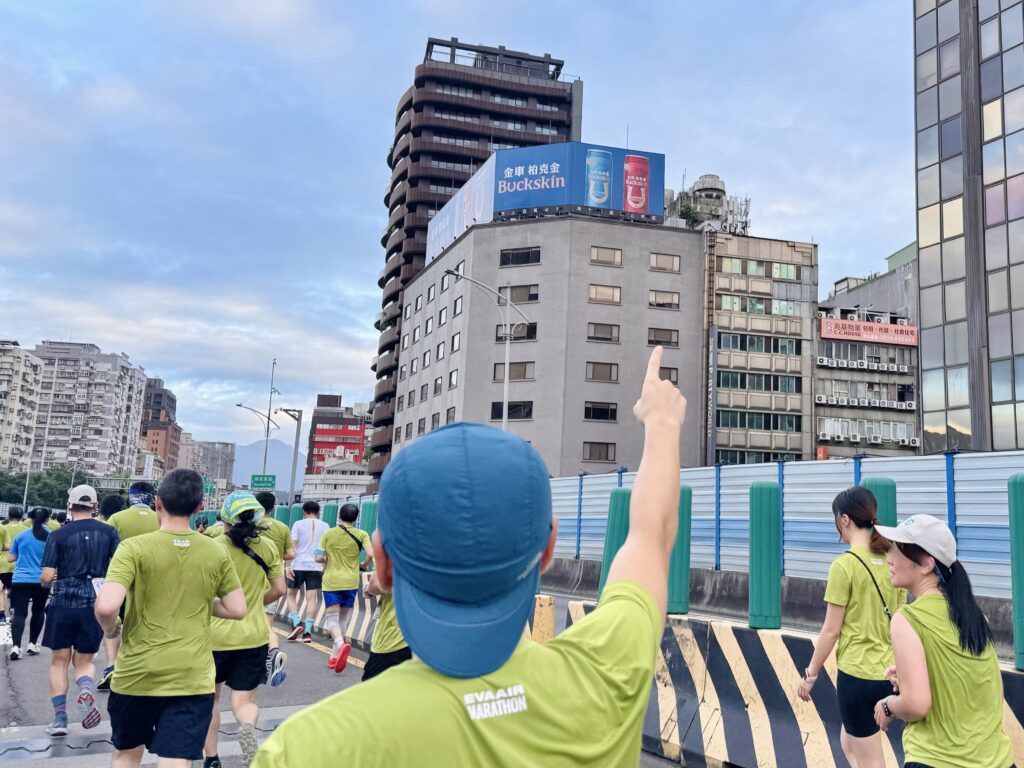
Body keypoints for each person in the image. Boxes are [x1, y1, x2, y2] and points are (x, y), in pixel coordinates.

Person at [253, 346, 686, 767]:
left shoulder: (309, 748)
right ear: (547, 549)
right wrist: (661, 423)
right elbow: (652, 536)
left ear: (383, 565)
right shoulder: (604, 674)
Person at [95, 468, 246, 768]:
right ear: (200, 507)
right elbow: (237, 609)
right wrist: (202, 601)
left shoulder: (133, 548)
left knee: (126, 754)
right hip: (191, 677)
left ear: (158, 503)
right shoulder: (214, 550)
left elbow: (106, 606)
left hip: (136, 675)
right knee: (176, 759)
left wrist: (112, 631)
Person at [872, 515, 1013, 768]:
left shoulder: (908, 618)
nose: (889, 558)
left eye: (898, 549)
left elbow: (916, 705)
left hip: (937, 759)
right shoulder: (975, 616)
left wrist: (887, 705)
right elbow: (988, 690)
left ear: (926, 564)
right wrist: (912, 676)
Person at [796, 487, 905, 768]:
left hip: (857, 676)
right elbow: (902, 619)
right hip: (889, 674)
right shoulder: (894, 560)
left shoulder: (844, 566)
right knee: (849, 741)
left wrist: (811, 673)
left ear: (844, 520)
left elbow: (831, 631)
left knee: (871, 760)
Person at [203, 492, 286, 768]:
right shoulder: (268, 547)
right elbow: (280, 589)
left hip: (213, 638)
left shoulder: (213, 547)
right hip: (252, 636)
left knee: (211, 701)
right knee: (244, 702)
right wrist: (250, 603)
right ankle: (247, 727)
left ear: (226, 517)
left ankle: (212, 759)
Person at [39, 485, 120, 737]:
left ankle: (60, 718)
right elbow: (119, 568)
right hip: (93, 603)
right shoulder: (109, 533)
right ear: (95, 506)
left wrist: (50, 581)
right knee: (84, 661)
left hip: (63, 602)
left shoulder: (58, 535)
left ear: (70, 505)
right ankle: (85, 687)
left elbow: (47, 576)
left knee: (59, 661)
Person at [99, 481, 159, 691]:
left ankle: (111, 666)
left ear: (131, 497)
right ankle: (139, 666)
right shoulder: (160, 519)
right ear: (152, 498)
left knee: (116, 622)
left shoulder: (116, 518)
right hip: (153, 582)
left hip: (120, 580)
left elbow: (103, 546)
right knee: (147, 624)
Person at [315, 503, 372, 671]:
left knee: (331, 618)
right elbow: (370, 553)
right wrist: (363, 565)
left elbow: (317, 558)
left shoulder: (328, 533)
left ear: (339, 516)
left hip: (332, 581)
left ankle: (340, 644)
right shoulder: (362, 534)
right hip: (351, 582)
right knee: (343, 619)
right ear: (356, 518)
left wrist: (326, 560)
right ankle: (334, 657)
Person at [254, 491, 295, 686]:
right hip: (273, 580)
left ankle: (255, 662)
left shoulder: (249, 525)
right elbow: (291, 553)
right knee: (267, 625)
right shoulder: (282, 527)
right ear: (273, 507)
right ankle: (274, 652)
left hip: (249, 579)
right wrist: (276, 556)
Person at [7, 507, 51, 662]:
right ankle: (32, 643)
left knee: (19, 613)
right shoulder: (51, 537)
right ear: (47, 519)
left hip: (20, 580)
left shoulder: (21, 536)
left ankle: (16, 647)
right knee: (38, 611)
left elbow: (10, 559)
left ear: (29, 518)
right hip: (42, 580)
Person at [285, 501, 328, 643]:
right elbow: (325, 549)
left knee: (291, 595)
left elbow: (293, 546)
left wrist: (288, 565)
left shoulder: (298, 524)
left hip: (298, 564)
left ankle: (297, 623)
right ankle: (308, 632)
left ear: (304, 512)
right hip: (316, 566)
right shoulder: (326, 526)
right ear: (318, 512)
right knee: (312, 599)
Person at [362, 570, 409, 681]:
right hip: (429, 640)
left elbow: (375, 585)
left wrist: (368, 590)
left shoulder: (397, 552)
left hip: (396, 637)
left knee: (371, 692)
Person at [1, 506, 29, 625]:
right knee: (16, 589)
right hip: (20, 564)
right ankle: (13, 608)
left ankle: (1, 615)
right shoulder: (26, 529)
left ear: (9, 515)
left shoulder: (3, 527)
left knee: (1, 590)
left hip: (3, 563)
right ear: (21, 516)